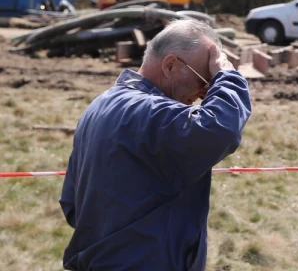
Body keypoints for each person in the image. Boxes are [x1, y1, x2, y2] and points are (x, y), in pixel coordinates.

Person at [60, 20, 252, 271]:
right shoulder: (149, 113)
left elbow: (72, 204)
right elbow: (220, 129)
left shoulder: (100, 104)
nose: (202, 95)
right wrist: (226, 78)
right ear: (170, 65)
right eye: (203, 81)